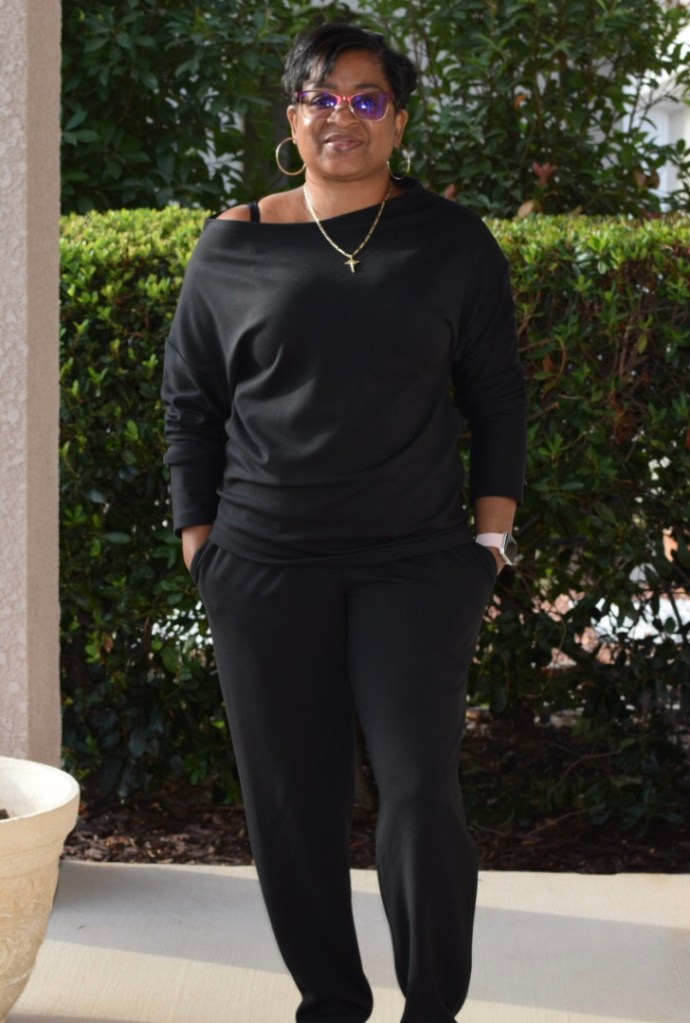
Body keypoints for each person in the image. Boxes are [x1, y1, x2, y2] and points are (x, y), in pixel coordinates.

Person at [161, 21, 526, 1023]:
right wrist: (202, 545)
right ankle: (330, 1003)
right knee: (291, 805)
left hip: (415, 564)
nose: (343, 118)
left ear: (399, 122)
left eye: (368, 100)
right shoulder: (232, 243)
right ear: (292, 120)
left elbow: (497, 396)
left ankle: (431, 1008)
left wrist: (489, 542)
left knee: (418, 793)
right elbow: (191, 405)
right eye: (322, 98)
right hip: (262, 565)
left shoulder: (451, 241)